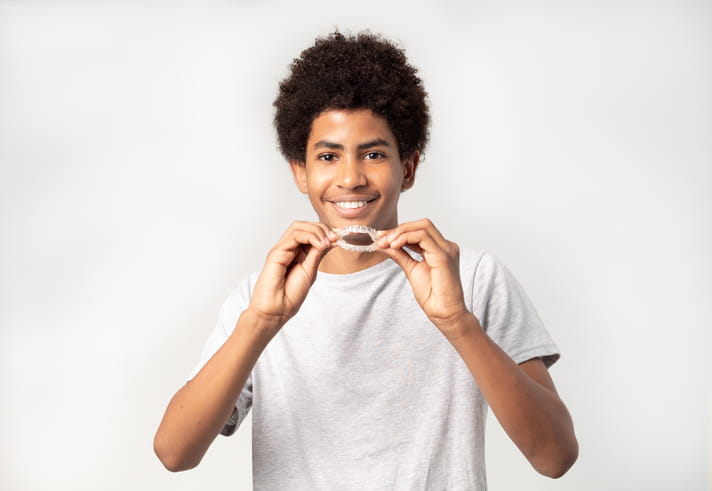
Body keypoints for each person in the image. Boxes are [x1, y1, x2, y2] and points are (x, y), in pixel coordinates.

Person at [153, 30, 578, 490]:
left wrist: (457, 322)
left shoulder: (471, 279)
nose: (351, 177)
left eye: (373, 154)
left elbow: (554, 457)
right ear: (301, 171)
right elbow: (175, 452)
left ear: (408, 168)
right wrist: (260, 320)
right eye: (328, 156)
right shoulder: (261, 298)